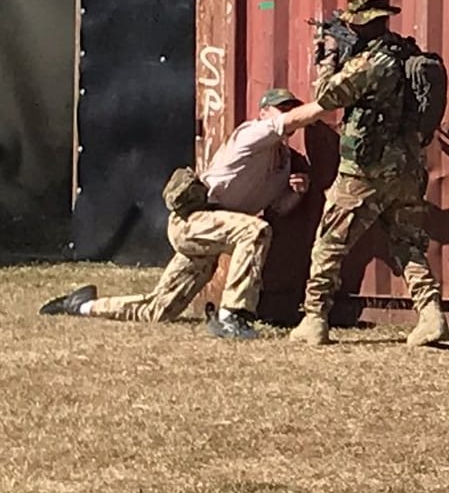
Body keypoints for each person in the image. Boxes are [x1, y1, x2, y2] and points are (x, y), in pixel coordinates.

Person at [38, 88, 310, 339]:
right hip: (194, 221)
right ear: (263, 113)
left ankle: (81, 305)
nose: (287, 113)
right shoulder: (253, 133)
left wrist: (296, 193)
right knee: (255, 230)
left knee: (158, 309)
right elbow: (295, 121)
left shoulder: (283, 164)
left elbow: (278, 209)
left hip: (214, 235)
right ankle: (232, 316)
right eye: (281, 108)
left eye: (291, 107)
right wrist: (331, 100)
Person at [277, 0, 449, 347]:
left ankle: (314, 319)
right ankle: (431, 313)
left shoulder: (370, 64)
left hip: (365, 170)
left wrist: (327, 57)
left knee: (330, 242)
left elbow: (326, 97)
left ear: (362, 24)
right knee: (408, 244)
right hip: (407, 168)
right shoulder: (404, 53)